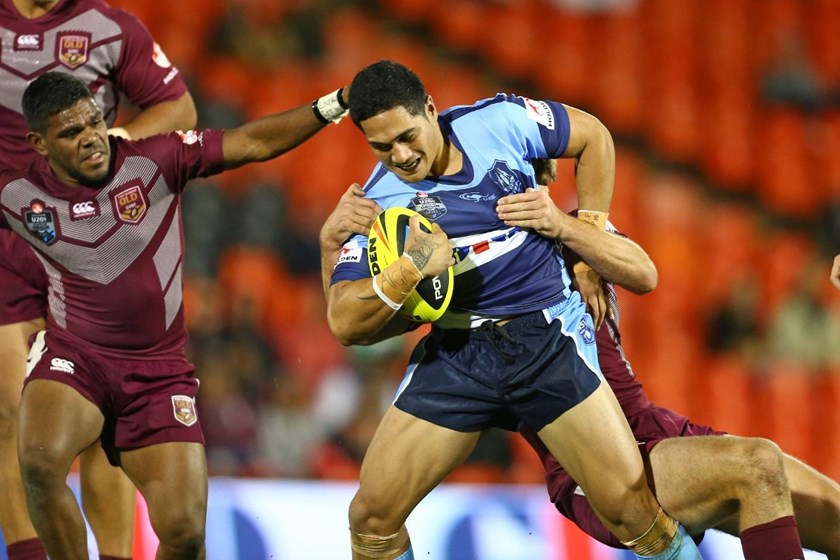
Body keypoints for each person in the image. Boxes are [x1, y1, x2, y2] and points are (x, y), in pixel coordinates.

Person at [326, 59, 704, 560]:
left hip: (545, 336)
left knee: (631, 511)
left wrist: (588, 247)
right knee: (371, 519)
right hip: (458, 352)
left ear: (431, 110)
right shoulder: (377, 204)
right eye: (382, 147)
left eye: (407, 136)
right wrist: (411, 267)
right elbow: (344, 323)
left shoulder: (500, 122)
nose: (401, 155)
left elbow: (594, 137)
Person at [0, 71, 349, 559]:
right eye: (72, 132)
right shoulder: (17, 193)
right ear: (39, 143)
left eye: (94, 123)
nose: (91, 138)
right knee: (39, 461)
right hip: (75, 357)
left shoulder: (154, 160)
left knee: (185, 534)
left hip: (157, 373)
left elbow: (251, 142)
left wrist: (333, 104)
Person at [507, 158, 831, 558]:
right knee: (758, 463)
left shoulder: (575, 231)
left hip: (653, 428)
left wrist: (572, 239)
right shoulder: (487, 288)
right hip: (593, 461)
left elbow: (644, 274)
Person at [0, 1, 197, 558]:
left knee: (102, 422)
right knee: (13, 413)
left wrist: (118, 143)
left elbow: (179, 107)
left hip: (95, 238)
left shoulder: (110, 26)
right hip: (12, 234)